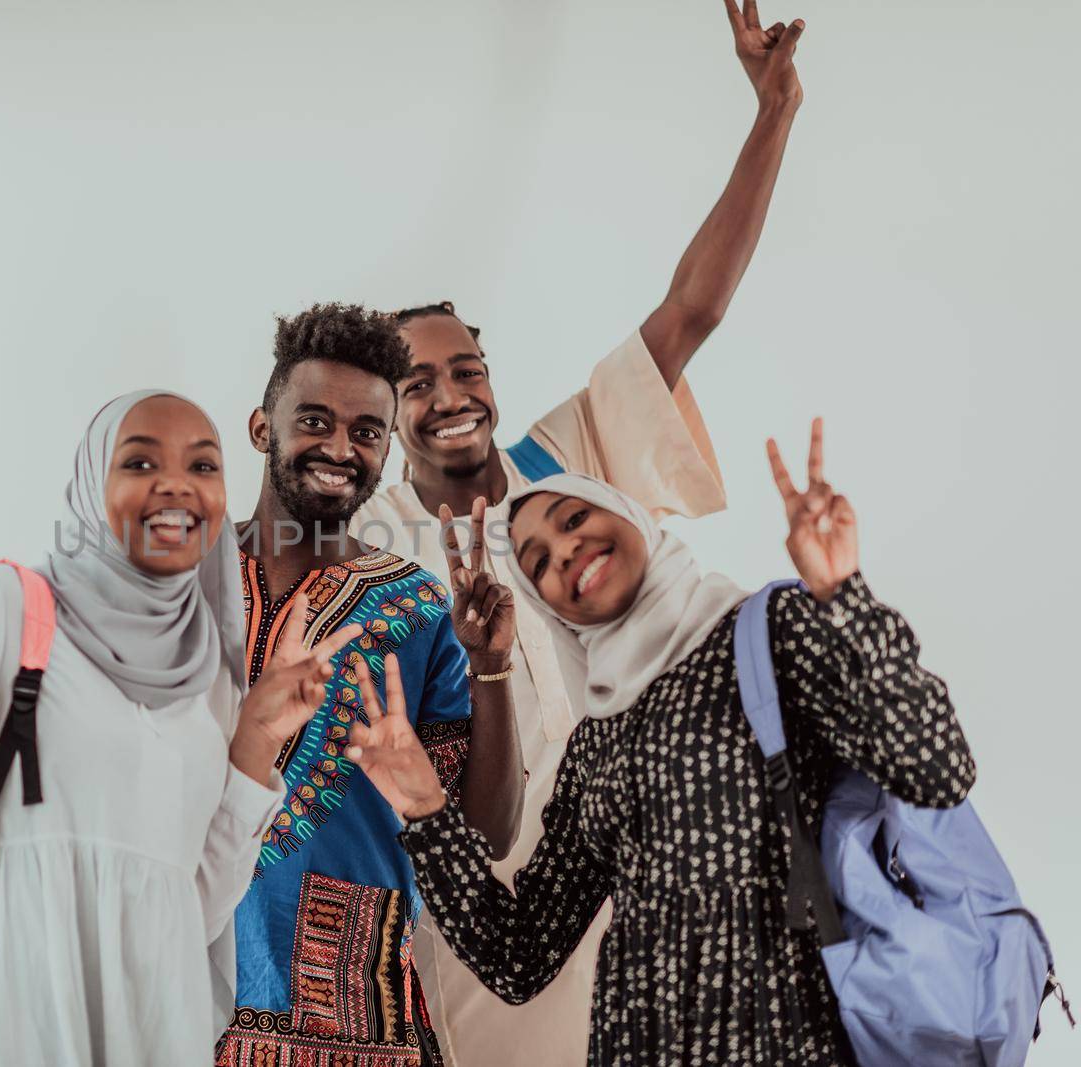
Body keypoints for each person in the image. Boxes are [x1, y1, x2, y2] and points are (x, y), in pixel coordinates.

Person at [351, 6, 809, 1061]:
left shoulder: (568, 463)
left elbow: (690, 309)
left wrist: (773, 109)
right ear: (386, 409)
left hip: (652, 867)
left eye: (466, 367)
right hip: (490, 919)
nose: (451, 395)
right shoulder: (369, 547)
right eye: (415, 383)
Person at [346, 420, 977, 1065]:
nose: (562, 551)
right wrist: (424, 806)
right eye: (536, 563)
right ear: (552, 610)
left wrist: (843, 594)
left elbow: (935, 768)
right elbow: (519, 955)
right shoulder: (596, 744)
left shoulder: (768, 634)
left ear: (630, 517)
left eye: (571, 519)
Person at [0, 391, 367, 1066]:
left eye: (203, 467)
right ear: (92, 485)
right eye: (140, 460)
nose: (176, 483)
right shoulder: (10, 612)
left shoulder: (210, 673)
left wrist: (257, 738)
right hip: (10, 1023)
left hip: (150, 1032)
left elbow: (185, 908)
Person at [215, 304, 522, 1067]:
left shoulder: (421, 612)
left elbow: (483, 838)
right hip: (173, 999)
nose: (339, 448)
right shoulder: (178, 589)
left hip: (357, 1024)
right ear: (262, 427)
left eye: (366, 432)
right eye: (314, 420)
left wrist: (490, 668)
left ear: (387, 449)